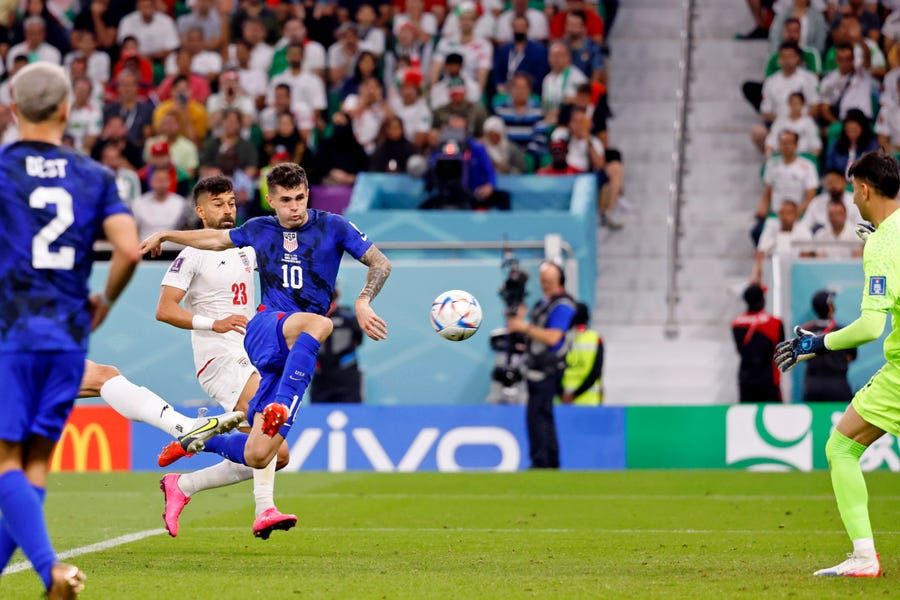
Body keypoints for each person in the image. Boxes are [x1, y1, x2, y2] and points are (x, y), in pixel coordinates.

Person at [139, 163, 391, 489]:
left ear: (308, 194)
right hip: (266, 326)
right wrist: (166, 234)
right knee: (320, 323)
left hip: (293, 343)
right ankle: (280, 407)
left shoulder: (334, 226)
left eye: (300, 198)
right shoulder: (259, 229)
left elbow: (380, 262)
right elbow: (214, 239)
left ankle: (198, 441)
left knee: (264, 454)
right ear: (270, 201)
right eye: (286, 200)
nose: (295, 207)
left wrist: (363, 300)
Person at [0, 62, 142, 598]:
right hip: (66, 338)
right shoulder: (95, 176)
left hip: (11, 333)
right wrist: (104, 300)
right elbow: (128, 249)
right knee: (34, 464)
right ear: (66, 109)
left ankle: (51, 571)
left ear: (13, 109)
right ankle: (47, 573)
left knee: (6, 462)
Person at [775, 150, 900, 577]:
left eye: (852, 191)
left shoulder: (882, 244)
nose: (852, 199)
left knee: (841, 447)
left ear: (864, 189)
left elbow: (870, 327)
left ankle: (864, 556)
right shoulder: (886, 235)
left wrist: (817, 343)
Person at [154, 175, 294, 539]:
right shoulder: (192, 254)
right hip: (218, 357)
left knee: (275, 454)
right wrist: (213, 323)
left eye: (231, 203)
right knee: (267, 422)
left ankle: (184, 483)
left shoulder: (246, 249)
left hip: (249, 354)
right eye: (218, 204)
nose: (228, 210)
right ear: (201, 212)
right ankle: (265, 509)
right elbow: (165, 309)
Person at [506, 261, 576, 469]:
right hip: (535, 366)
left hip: (550, 368)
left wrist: (525, 327)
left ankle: (543, 461)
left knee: (539, 415)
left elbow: (554, 338)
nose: (545, 286)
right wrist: (519, 318)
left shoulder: (562, 306)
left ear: (559, 281)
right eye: (543, 281)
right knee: (538, 415)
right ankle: (546, 461)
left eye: (549, 282)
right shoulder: (542, 304)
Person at [799, 290, 857, 402]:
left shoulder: (806, 330)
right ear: (830, 307)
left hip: (812, 386)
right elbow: (851, 356)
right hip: (838, 385)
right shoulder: (842, 331)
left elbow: (802, 355)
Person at [731, 283, 785, 403]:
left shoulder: (736, 323)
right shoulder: (775, 323)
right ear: (762, 300)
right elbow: (781, 349)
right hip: (769, 380)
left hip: (746, 380)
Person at [309, 289, 365, 403]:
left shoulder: (347, 315)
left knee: (351, 410)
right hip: (320, 375)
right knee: (319, 411)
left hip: (346, 373)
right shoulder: (312, 318)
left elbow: (358, 339)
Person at [560, 302, 603, 405]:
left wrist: (561, 393)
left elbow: (554, 369)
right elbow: (596, 371)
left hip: (562, 399)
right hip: (588, 399)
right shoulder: (595, 338)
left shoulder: (559, 337)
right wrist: (575, 394)